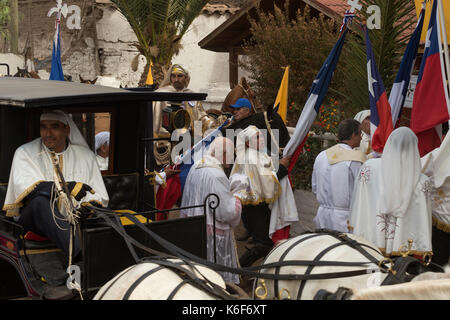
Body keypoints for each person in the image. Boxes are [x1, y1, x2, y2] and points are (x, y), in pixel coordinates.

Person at [3, 110, 109, 264]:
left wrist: (87, 204)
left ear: (67, 130)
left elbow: (96, 192)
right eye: (43, 127)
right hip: (33, 221)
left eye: (54, 127)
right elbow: (26, 188)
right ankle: (80, 257)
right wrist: (66, 188)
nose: (48, 133)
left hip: (73, 218)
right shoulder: (24, 152)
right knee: (40, 201)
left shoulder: (85, 156)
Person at [349, 127, 433, 258]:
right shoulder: (423, 182)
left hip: (371, 242)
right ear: (414, 147)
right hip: (403, 251)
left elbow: (361, 202)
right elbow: (422, 219)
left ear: (389, 143)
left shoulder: (369, 168)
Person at [230, 126, 297, 267]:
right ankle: (238, 269)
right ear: (248, 143)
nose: (261, 140)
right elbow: (266, 181)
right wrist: (283, 168)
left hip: (256, 207)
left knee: (263, 242)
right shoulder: (251, 157)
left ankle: (256, 270)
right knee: (263, 244)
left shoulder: (256, 154)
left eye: (261, 136)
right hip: (253, 208)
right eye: (257, 137)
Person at [180, 136, 242, 284]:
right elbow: (226, 212)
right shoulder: (217, 175)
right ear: (224, 154)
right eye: (231, 154)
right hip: (212, 236)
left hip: (194, 226)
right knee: (214, 277)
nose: (233, 159)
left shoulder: (196, 166)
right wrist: (238, 198)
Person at [153, 64, 226, 165]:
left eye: (179, 76)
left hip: (191, 141)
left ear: (186, 78)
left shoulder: (191, 95)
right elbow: (156, 124)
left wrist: (212, 124)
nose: (176, 79)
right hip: (169, 141)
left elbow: (201, 117)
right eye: (173, 76)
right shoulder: (161, 96)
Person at [312, 119, 365, 232]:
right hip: (344, 218)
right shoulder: (355, 160)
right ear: (352, 135)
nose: (361, 137)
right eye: (360, 133)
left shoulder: (322, 155)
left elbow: (315, 187)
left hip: (322, 214)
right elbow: (361, 190)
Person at [421, 131, 450, 266]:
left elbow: (417, 168)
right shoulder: (441, 154)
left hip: (441, 220)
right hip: (441, 220)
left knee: (437, 264)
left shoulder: (440, 155)